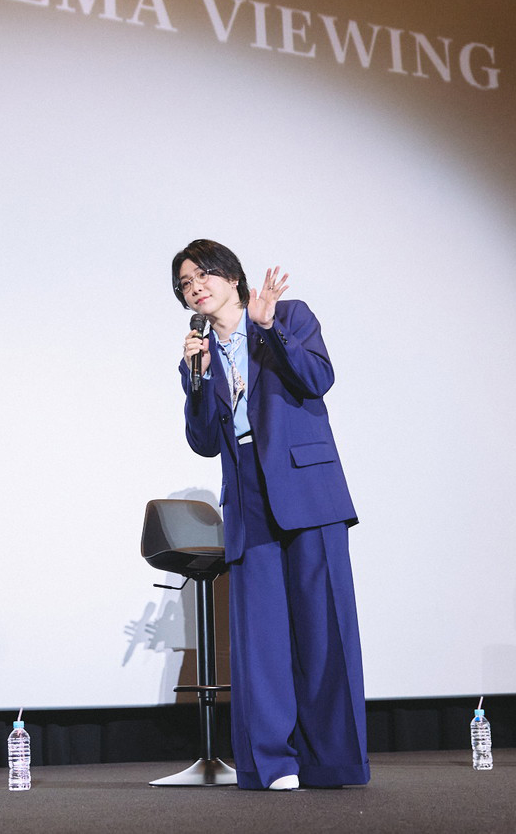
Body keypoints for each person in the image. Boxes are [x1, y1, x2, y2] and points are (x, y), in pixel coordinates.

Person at [171, 239, 368, 791]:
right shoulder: (198, 353)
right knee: (261, 640)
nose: (196, 287)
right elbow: (203, 441)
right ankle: (273, 763)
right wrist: (196, 379)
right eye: (186, 284)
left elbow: (318, 379)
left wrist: (268, 329)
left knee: (325, 628)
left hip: (307, 487)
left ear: (233, 278)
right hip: (247, 494)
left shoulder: (287, 316)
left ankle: (332, 761)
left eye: (204, 274)